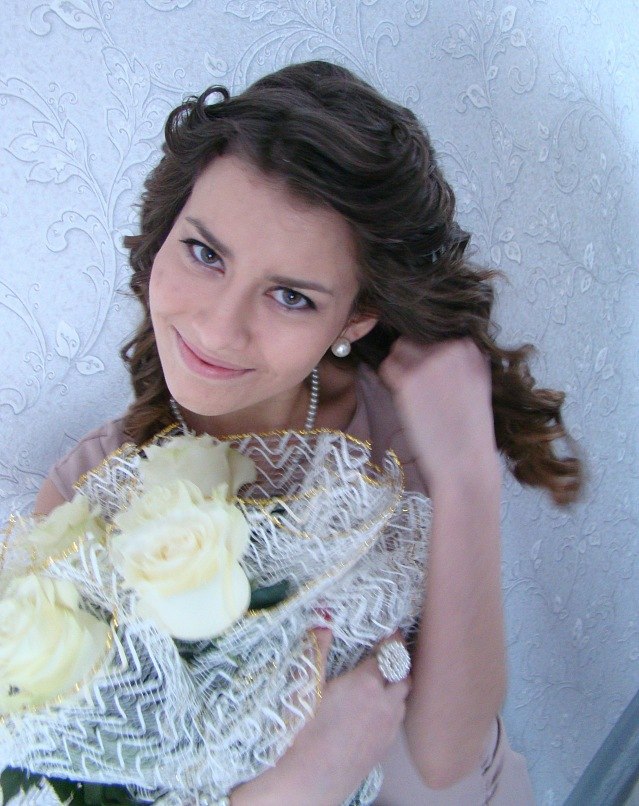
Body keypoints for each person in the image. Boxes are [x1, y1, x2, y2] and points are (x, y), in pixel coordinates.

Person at [33, 60, 581, 804]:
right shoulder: (83, 498)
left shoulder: (404, 430)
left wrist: (467, 478)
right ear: (164, 233)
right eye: (205, 253)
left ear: (353, 320)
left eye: (290, 296)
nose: (219, 328)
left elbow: (448, 752)